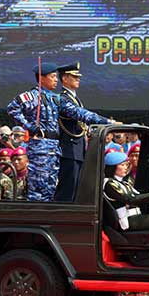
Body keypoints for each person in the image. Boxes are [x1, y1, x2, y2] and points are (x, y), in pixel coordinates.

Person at [6, 62, 112, 201]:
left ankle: (47, 216)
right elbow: (12, 108)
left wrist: (106, 121)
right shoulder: (32, 96)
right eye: (52, 77)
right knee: (39, 187)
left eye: (56, 77)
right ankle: (37, 216)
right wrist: (28, 125)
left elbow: (78, 112)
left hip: (54, 146)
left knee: (50, 187)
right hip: (40, 146)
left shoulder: (56, 99)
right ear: (42, 78)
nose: (56, 80)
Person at [54, 62, 90, 202]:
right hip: (69, 149)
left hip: (77, 149)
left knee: (75, 188)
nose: (78, 79)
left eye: (78, 77)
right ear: (64, 79)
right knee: (67, 189)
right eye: (74, 77)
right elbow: (81, 115)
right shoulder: (63, 98)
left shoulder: (74, 97)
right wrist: (108, 122)